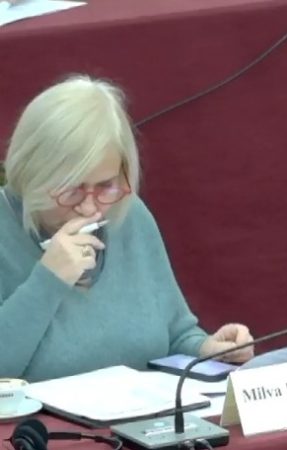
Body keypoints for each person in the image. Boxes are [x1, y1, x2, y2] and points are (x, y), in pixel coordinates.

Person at [0, 75, 255, 382]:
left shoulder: (129, 214)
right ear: (31, 174)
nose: (90, 208)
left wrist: (208, 349)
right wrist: (48, 281)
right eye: (71, 190)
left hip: (145, 411)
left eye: (105, 186)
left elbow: (175, 334)